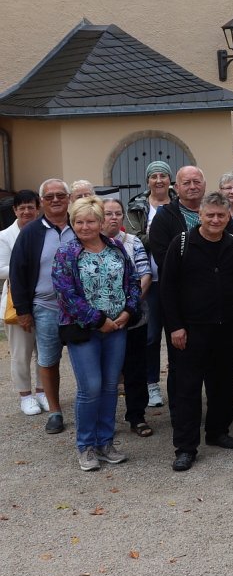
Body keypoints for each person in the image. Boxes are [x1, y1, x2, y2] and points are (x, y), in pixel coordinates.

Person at [159, 192, 233, 471]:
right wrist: (175, 327)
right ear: (200, 215)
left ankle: (217, 432)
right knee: (187, 390)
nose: (215, 220)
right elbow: (167, 290)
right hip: (190, 331)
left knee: (224, 384)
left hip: (226, 328)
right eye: (210, 215)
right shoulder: (181, 244)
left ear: (228, 217)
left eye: (221, 215)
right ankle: (186, 447)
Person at [51, 196, 140, 472]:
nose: (85, 226)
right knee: (90, 388)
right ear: (72, 223)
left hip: (118, 328)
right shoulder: (66, 253)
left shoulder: (116, 248)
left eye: (90, 221)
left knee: (110, 386)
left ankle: (106, 442)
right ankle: (86, 446)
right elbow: (66, 294)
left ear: (101, 222)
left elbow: (133, 281)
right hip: (84, 330)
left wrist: (129, 311)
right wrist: (98, 320)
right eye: (79, 221)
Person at [8, 179, 76, 434]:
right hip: (45, 306)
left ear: (69, 198)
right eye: (49, 197)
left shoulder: (80, 225)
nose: (55, 200)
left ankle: (87, 405)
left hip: (79, 308)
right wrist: (24, 311)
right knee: (48, 360)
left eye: (60, 195)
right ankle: (56, 411)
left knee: (83, 357)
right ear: (42, 202)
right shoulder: (31, 232)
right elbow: (18, 272)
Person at [102, 199, 153, 439]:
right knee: (106, 372)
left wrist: (128, 310)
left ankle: (136, 416)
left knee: (135, 369)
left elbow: (145, 275)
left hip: (133, 318)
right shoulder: (86, 245)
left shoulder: (133, 243)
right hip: (101, 322)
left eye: (118, 213)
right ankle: (105, 419)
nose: (113, 218)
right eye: (108, 214)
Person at [2, 190, 44, 416]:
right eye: (22, 207)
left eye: (30, 207)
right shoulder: (4, 236)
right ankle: (25, 395)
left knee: (45, 350)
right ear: (14, 210)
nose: (26, 211)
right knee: (20, 352)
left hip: (44, 299)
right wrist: (25, 266)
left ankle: (42, 390)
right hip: (16, 301)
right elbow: (0, 269)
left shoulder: (45, 231)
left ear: (37, 208)